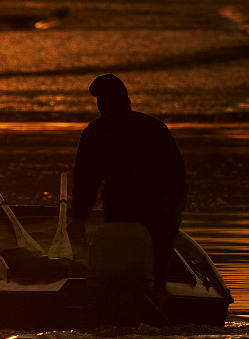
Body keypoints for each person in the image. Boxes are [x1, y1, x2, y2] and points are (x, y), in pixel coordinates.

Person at [68, 74, 188, 289]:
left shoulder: (96, 131)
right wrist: (177, 209)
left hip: (124, 214)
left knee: (121, 279)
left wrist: (78, 219)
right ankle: (158, 300)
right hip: (165, 212)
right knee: (156, 277)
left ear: (102, 103)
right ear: (127, 101)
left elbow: (86, 181)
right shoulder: (156, 126)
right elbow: (179, 173)